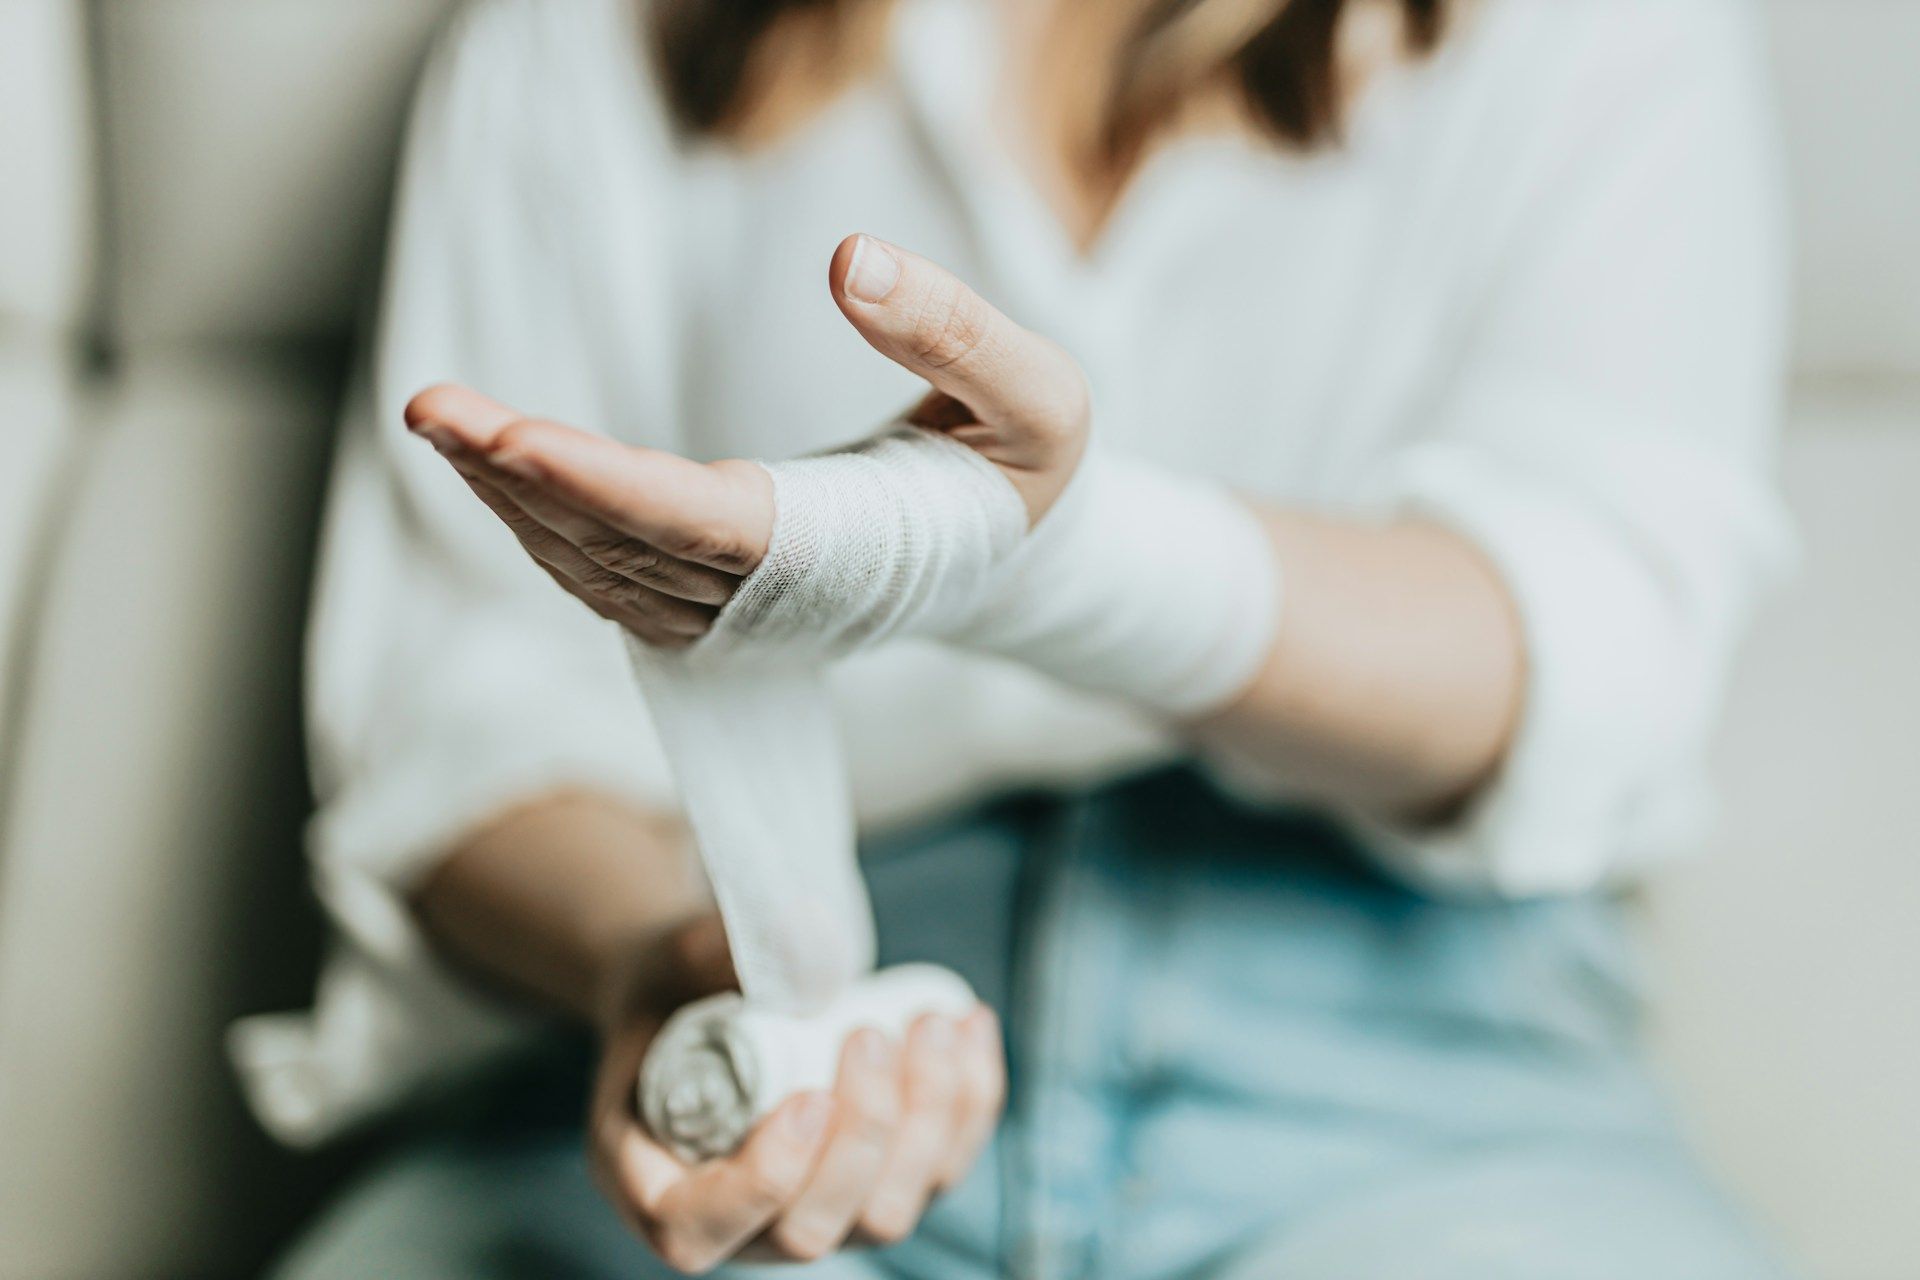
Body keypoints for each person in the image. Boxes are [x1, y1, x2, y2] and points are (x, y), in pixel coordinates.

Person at [254, 0, 1797, 1274]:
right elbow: (459, 712)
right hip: (797, 1007)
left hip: (1410, 1064)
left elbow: (1575, 649)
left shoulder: (1594, 34)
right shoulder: (582, 38)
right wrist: (680, 962)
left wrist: (1043, 557)